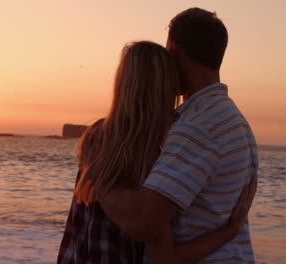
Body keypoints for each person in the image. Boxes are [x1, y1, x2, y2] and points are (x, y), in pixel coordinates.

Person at [57, 41, 256, 264]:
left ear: (122, 84)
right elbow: (164, 257)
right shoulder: (158, 155)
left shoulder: (97, 137)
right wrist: (230, 231)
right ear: (168, 88)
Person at [100, 8, 258, 264]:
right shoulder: (231, 119)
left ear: (174, 48)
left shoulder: (199, 127)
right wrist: (229, 231)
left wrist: (95, 176)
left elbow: (142, 222)